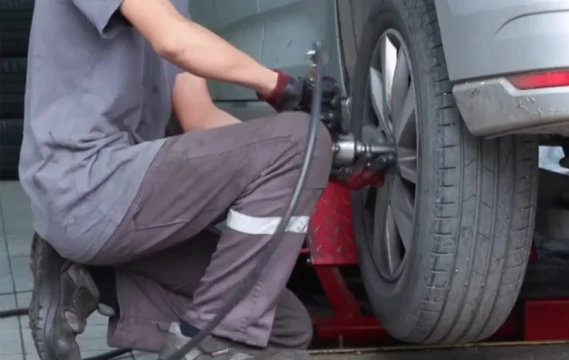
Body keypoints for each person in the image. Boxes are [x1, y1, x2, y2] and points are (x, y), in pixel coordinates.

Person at [19, 0, 336, 359]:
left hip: (127, 193)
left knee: (285, 327)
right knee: (296, 139)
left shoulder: (173, 6)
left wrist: (316, 157)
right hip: (87, 186)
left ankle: (91, 281)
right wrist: (279, 86)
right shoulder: (168, 23)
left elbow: (200, 117)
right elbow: (174, 41)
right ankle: (211, 343)